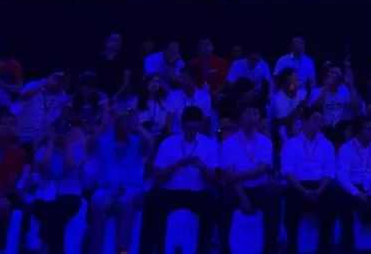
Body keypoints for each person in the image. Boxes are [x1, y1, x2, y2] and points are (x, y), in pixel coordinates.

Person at [141, 106, 219, 254]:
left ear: (200, 125)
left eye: (195, 128)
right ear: (182, 125)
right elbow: (157, 175)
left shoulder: (209, 145)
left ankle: (203, 249)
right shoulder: (168, 143)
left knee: (212, 205)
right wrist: (178, 164)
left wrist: (202, 166)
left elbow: (215, 178)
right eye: (189, 128)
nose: (192, 132)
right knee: (152, 202)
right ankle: (155, 249)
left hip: (198, 194)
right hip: (170, 193)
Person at [87, 102, 153, 254]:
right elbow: (89, 146)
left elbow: (151, 145)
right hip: (105, 189)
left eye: (125, 120)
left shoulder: (137, 141)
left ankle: (123, 251)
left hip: (130, 190)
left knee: (126, 204)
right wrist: (103, 125)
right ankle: (95, 251)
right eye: (120, 120)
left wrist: (138, 126)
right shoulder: (104, 140)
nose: (123, 123)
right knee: (97, 204)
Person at [220, 104, 279, 254]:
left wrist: (237, 175)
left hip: (259, 187)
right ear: (241, 117)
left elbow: (262, 170)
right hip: (236, 188)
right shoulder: (229, 142)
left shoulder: (265, 142)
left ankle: (270, 249)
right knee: (223, 204)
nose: (252, 117)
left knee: (273, 204)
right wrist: (242, 196)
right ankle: (225, 249)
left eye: (255, 113)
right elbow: (229, 174)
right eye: (248, 113)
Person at [281, 107, 336, 254]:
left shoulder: (327, 144)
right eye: (314, 119)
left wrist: (319, 190)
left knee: (331, 197)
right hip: (298, 186)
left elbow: (329, 172)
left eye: (320, 120)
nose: (319, 123)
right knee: (290, 201)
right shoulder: (291, 144)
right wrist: (303, 191)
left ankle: (324, 249)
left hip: (320, 186)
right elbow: (288, 172)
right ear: (304, 121)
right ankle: (291, 248)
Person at [31, 114, 86, 254]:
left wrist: (68, 145)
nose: (61, 134)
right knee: (51, 212)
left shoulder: (76, 150)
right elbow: (45, 169)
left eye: (64, 130)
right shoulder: (44, 150)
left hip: (70, 195)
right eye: (58, 130)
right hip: (45, 196)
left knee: (57, 211)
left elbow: (68, 167)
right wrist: (50, 142)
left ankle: (45, 246)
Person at [336, 117, 371, 253]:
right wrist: (356, 193)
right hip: (354, 188)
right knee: (342, 200)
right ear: (359, 131)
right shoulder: (346, 148)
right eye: (369, 128)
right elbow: (342, 176)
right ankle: (347, 245)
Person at [310, 63, 360, 143]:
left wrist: (351, 86)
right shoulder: (318, 91)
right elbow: (315, 109)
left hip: (342, 129)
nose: (334, 76)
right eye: (332, 73)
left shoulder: (345, 91)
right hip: (325, 129)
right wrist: (327, 87)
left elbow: (357, 108)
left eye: (337, 74)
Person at [16, 72, 69, 145]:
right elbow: (21, 98)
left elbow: (63, 118)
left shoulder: (63, 97)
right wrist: (41, 86)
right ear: (48, 77)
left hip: (42, 138)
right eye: (55, 78)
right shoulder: (34, 85)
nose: (57, 82)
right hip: (22, 132)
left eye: (61, 80)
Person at [0, 107, 26, 244]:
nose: (6, 127)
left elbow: (13, 182)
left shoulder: (17, 153)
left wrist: (1, 197)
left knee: (3, 207)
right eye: (2, 123)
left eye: (10, 124)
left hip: (4, 195)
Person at [96, 33, 132, 98]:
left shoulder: (125, 60)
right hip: (99, 95)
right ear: (106, 41)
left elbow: (126, 82)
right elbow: (92, 78)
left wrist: (115, 96)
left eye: (119, 41)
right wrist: (100, 94)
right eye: (114, 40)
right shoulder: (98, 58)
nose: (117, 43)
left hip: (119, 96)